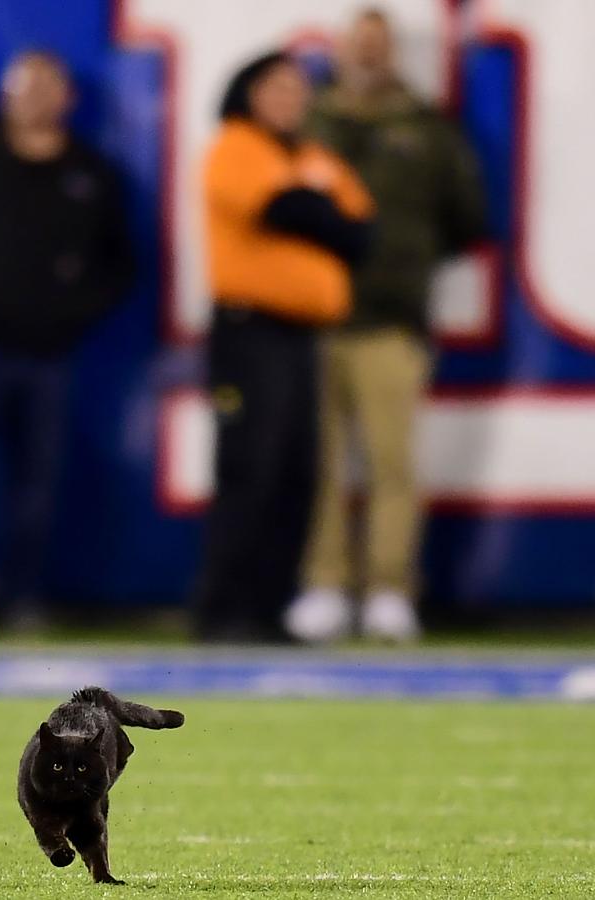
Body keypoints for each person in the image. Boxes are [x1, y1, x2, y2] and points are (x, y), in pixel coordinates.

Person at [287, 8, 488, 644]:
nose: (369, 56)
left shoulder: (427, 128)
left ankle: (388, 589)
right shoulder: (304, 122)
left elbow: (467, 215)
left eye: (380, 46)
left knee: (392, 465)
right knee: (317, 464)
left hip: (392, 320)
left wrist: (403, 262)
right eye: (359, 45)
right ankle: (323, 584)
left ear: (394, 53)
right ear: (340, 52)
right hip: (310, 319)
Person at [0, 50, 134, 630]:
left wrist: (73, 313)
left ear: (69, 98)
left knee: (36, 482)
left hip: (49, 353)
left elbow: (120, 265)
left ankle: (20, 598)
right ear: (6, 94)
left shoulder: (93, 172)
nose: (37, 95)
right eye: (26, 84)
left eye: (49, 84)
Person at [192, 52, 375, 643]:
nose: (290, 98)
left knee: (299, 473)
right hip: (251, 331)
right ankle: (225, 609)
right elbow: (287, 209)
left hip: (301, 337)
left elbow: (360, 230)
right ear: (248, 92)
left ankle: (270, 607)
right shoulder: (237, 147)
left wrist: (317, 209)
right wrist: (318, 208)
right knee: (251, 466)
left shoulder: (310, 156)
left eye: (298, 88)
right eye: (276, 86)